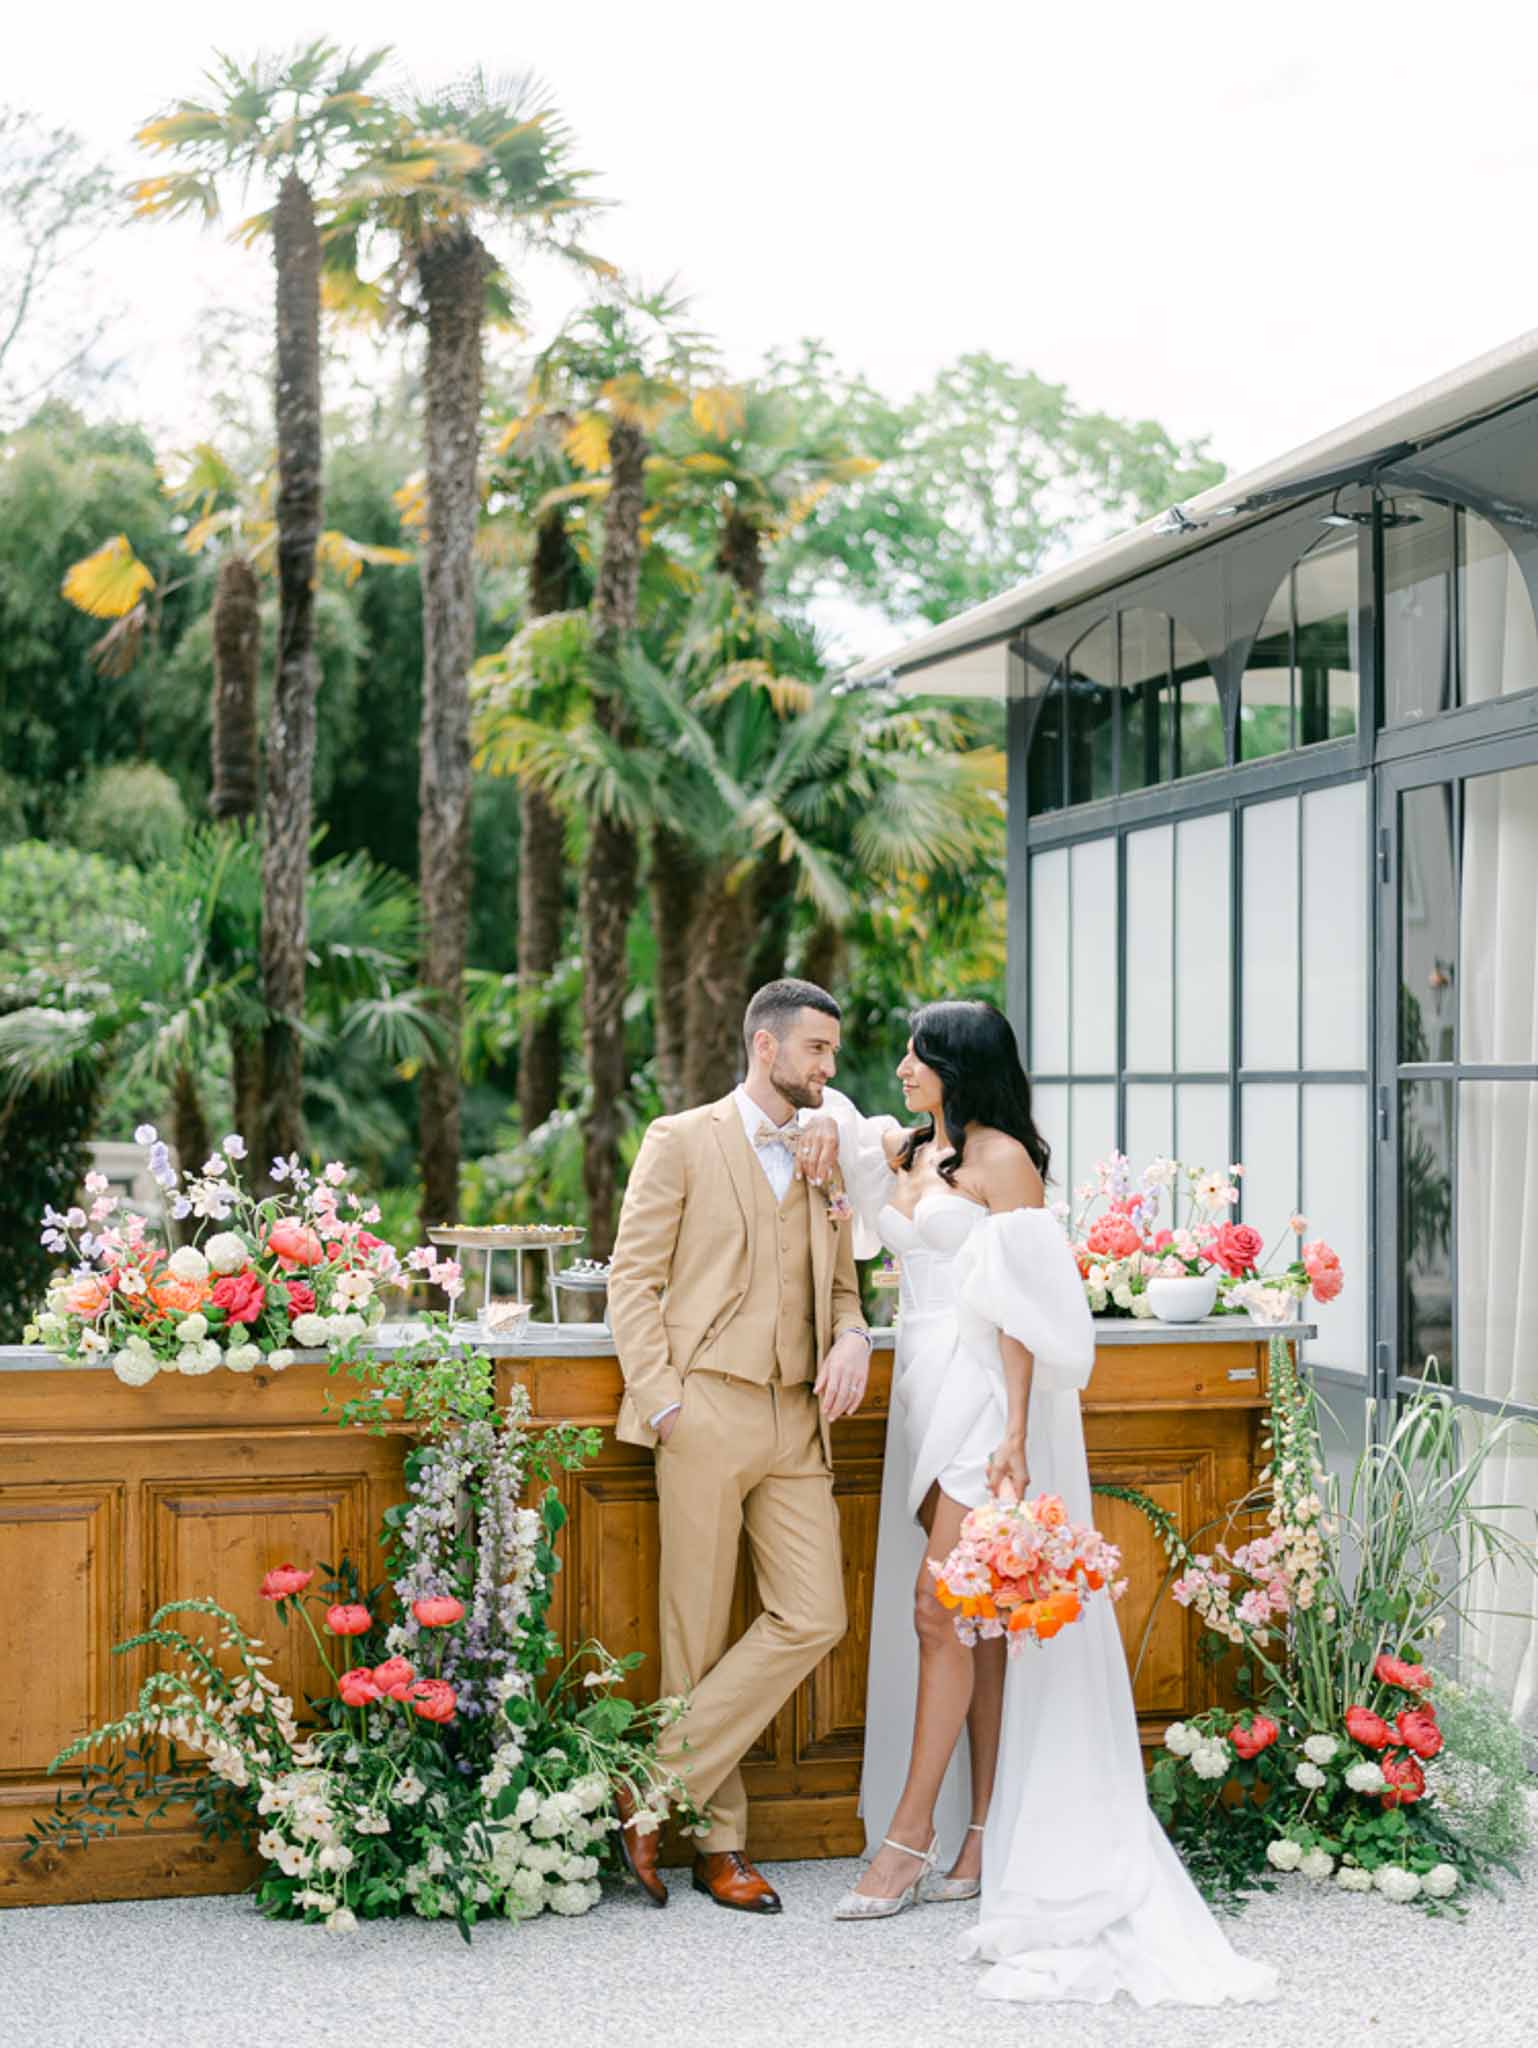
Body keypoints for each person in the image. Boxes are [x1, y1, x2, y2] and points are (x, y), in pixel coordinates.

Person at [804, 1001, 1278, 2006]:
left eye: (916, 1056)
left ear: (957, 1066)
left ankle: (908, 1836)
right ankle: (978, 1838)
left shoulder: (1002, 1157)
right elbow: (849, 1167)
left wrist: (1015, 1431)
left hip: (979, 1387)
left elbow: (1024, 1309)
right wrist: (853, 1139)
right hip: (920, 1386)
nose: (899, 1068)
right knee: (971, 1623)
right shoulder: (923, 1147)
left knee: (942, 1612)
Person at [605, 977, 875, 1913]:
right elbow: (631, 1283)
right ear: (767, 1047)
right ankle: (721, 1849)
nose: (828, 1069)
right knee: (693, 1631)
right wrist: (666, 1402)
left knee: (814, 1615)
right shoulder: (679, 1141)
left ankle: (648, 1785)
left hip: (797, 1417)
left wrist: (854, 1336)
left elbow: (843, 1289)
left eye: (832, 1055)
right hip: (705, 1409)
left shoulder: (823, 1154)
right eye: (817, 1052)